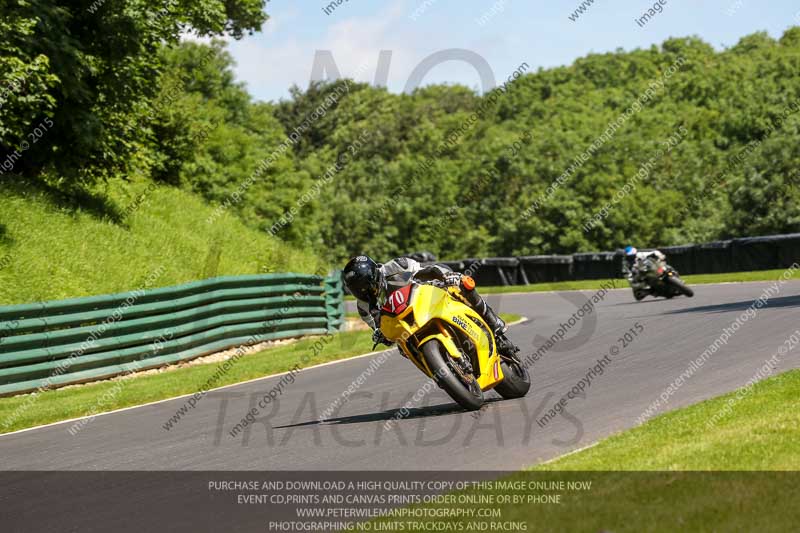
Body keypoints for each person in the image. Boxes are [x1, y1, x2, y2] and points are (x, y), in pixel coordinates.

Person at [343, 255, 520, 357]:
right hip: (407, 323)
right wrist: (381, 336)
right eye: (357, 289)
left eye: (365, 285)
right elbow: (378, 328)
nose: (364, 291)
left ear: (374, 275)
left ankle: (493, 323)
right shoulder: (363, 306)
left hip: (426, 298)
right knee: (403, 349)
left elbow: (426, 270)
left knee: (463, 285)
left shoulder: (397, 266)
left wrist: (448, 276)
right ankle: (442, 370)